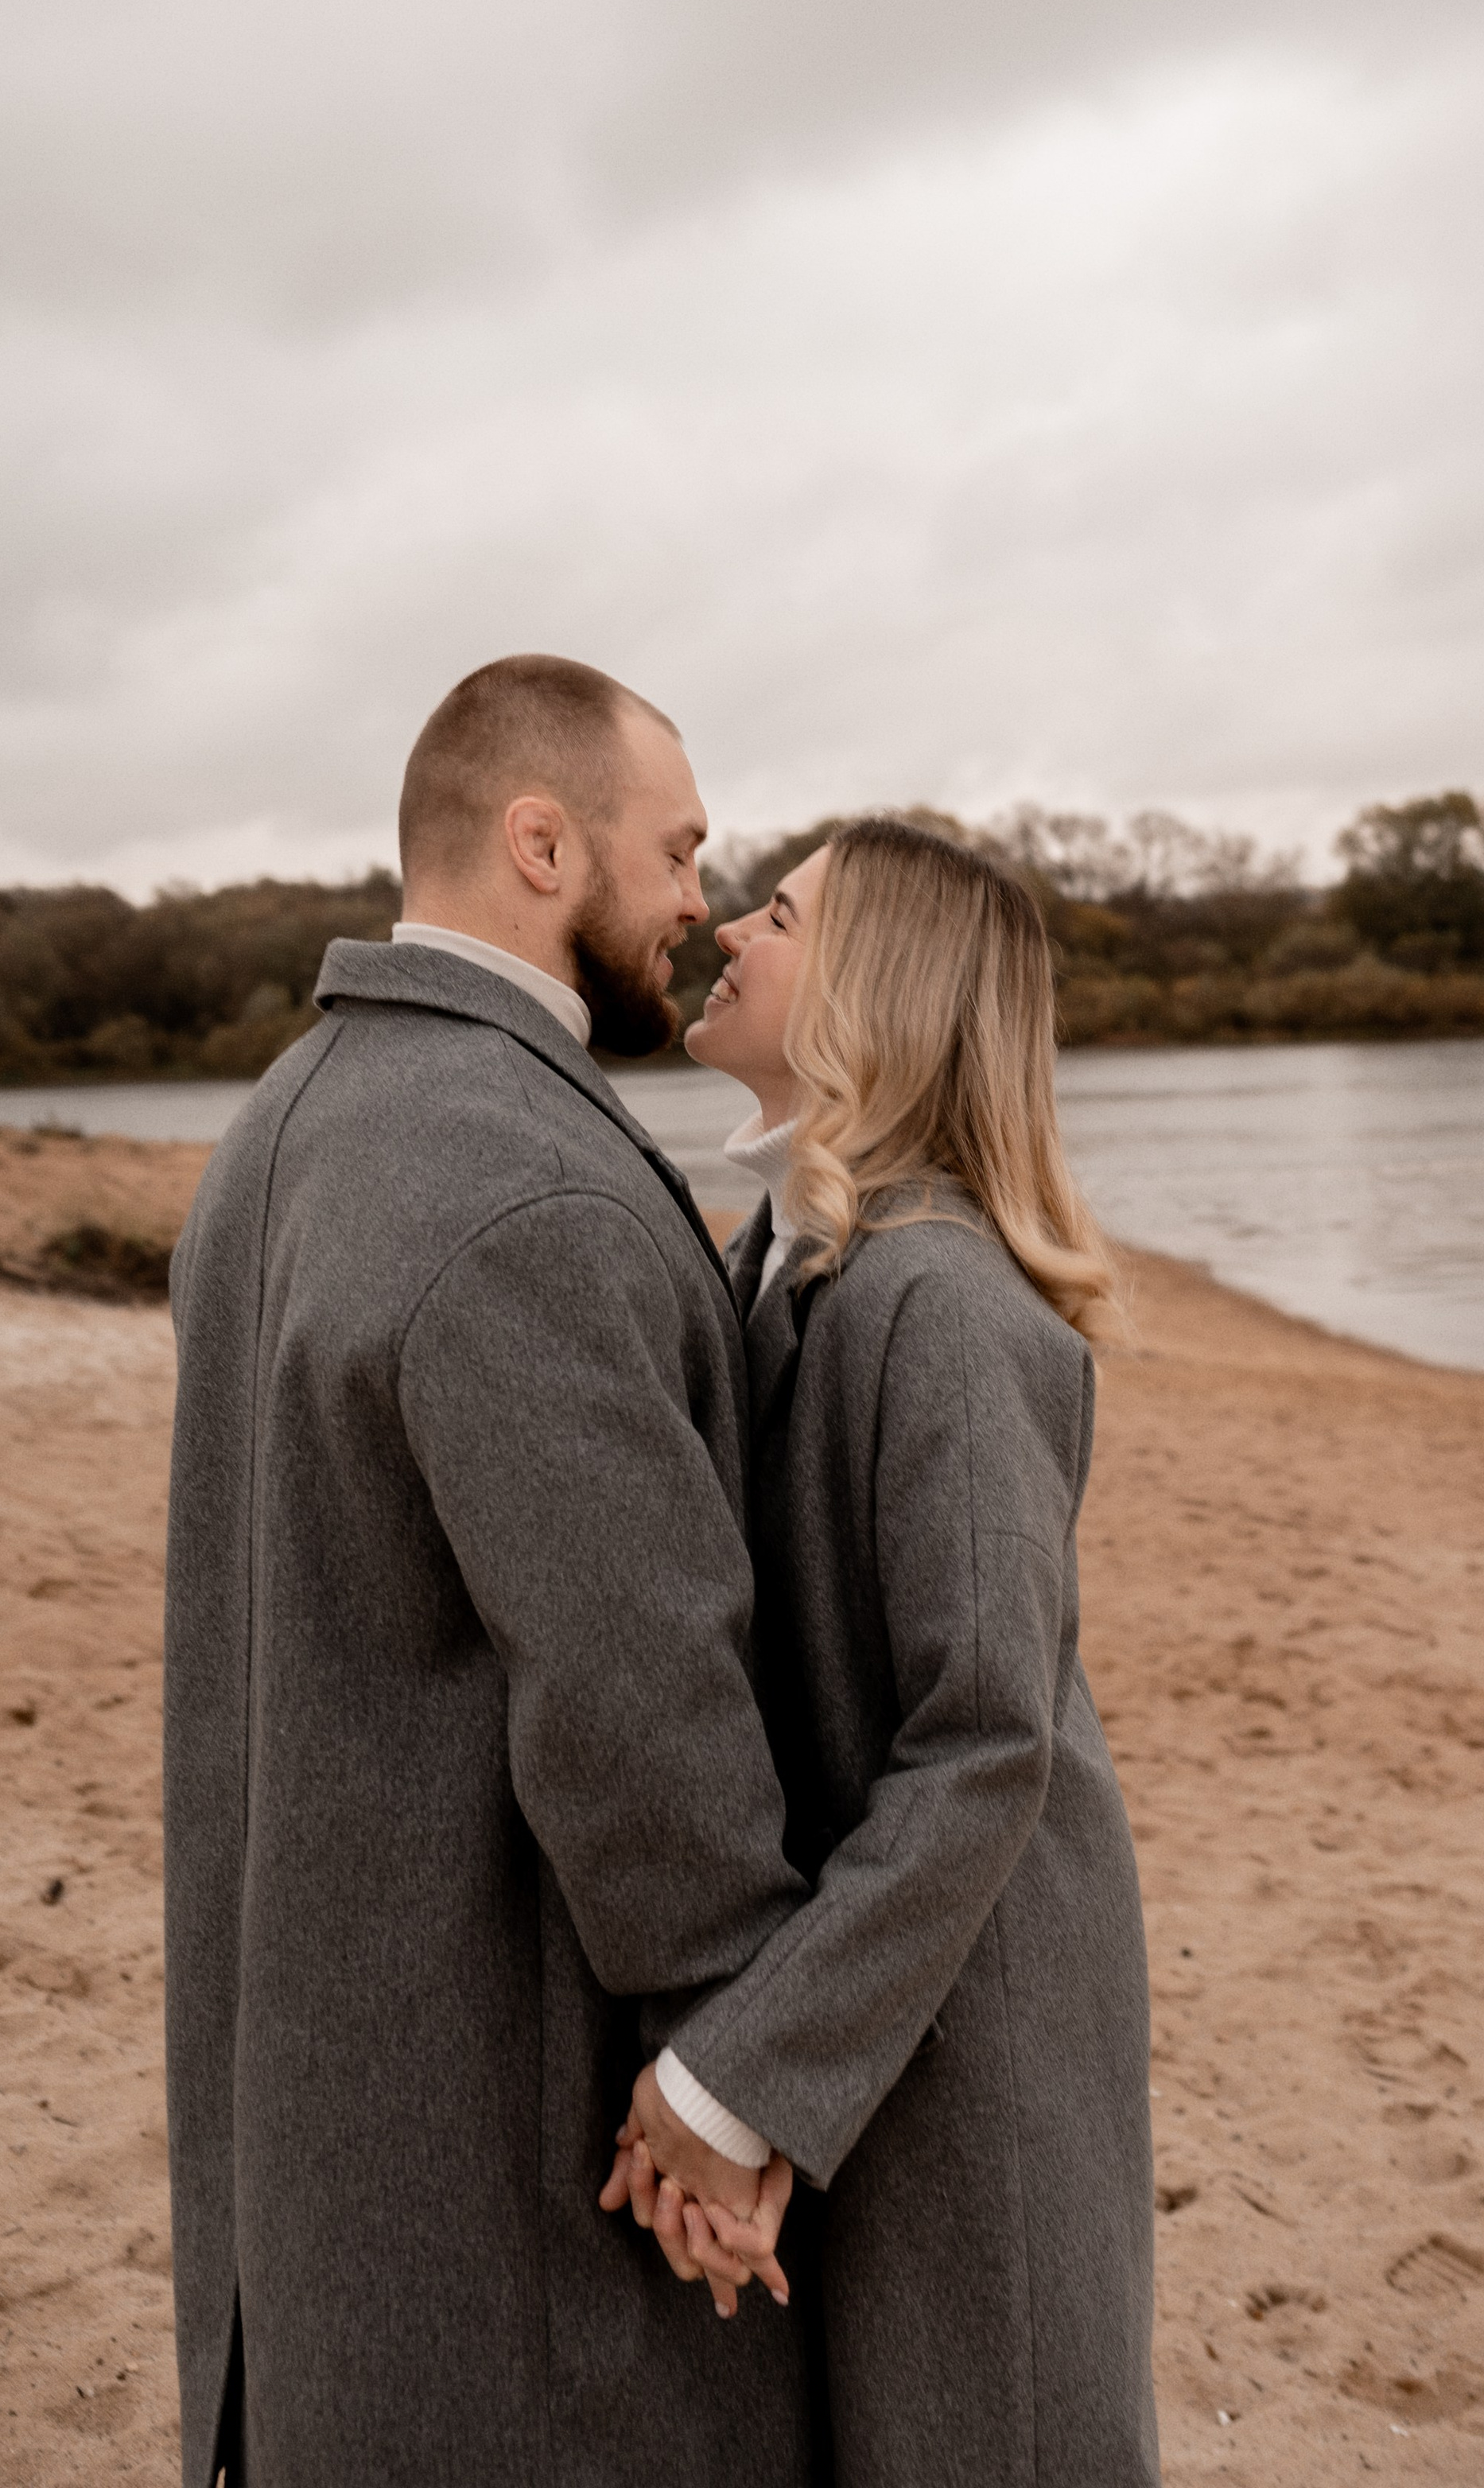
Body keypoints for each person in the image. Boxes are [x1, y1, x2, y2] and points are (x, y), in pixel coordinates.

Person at [163, 655, 819, 2488]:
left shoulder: (275, 1129)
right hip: (490, 2140)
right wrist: (733, 2058)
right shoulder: (514, 1173)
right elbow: (635, 1687)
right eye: (677, 849)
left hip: (297, 2113)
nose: (698, 900)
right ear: (542, 841)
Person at [620, 815, 1160, 2487]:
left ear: (874, 991)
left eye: (776, 916)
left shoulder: (937, 1304)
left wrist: (734, 2082)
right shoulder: (787, 1262)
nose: (725, 930)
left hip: (971, 2009)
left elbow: (986, 1734)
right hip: (872, 1982)